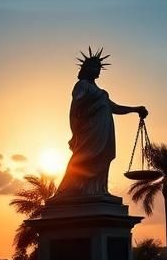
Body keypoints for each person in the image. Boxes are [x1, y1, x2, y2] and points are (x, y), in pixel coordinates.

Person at [55, 47, 148, 199]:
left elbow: (115, 108)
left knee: (102, 157)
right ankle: (74, 189)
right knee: (85, 157)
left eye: (99, 68)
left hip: (103, 131)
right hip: (89, 131)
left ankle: (97, 189)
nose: (98, 70)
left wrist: (135, 109)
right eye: (95, 67)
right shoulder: (82, 85)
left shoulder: (97, 90)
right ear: (87, 69)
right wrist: (76, 131)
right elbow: (75, 108)